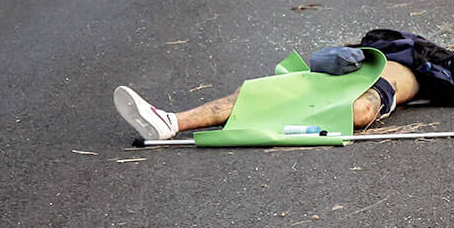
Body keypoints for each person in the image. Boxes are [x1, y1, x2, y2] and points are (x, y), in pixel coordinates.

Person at [113, 58, 418, 141]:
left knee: (360, 110)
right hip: (334, 79)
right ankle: (170, 121)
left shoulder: (411, 62)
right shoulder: (367, 52)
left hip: (379, 83)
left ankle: (171, 121)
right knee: (260, 94)